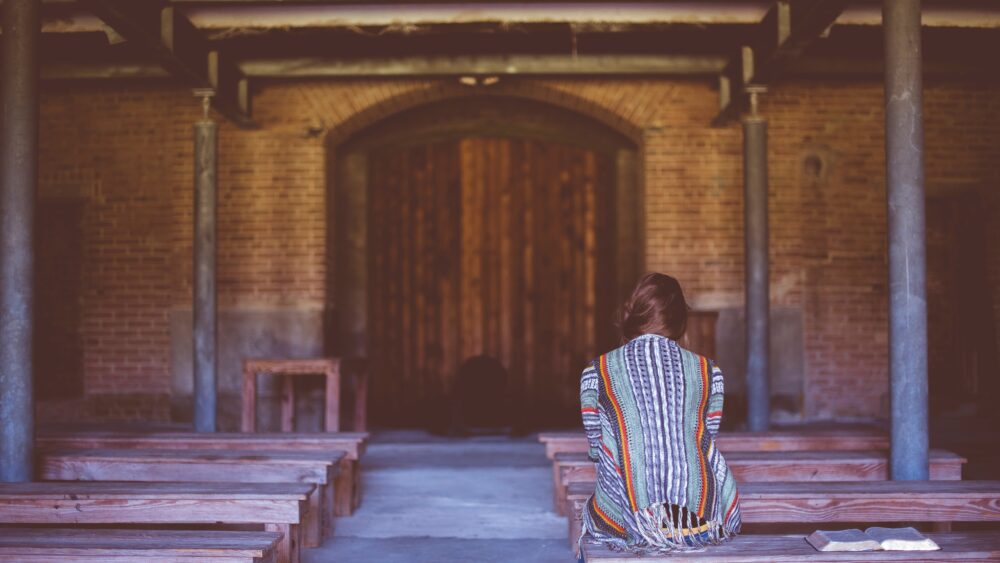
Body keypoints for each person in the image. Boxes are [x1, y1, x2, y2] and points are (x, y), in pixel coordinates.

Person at [579, 273, 741, 554]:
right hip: (697, 519)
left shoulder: (598, 371)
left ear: (633, 316)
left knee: (591, 531)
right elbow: (707, 436)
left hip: (630, 520)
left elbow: (596, 447)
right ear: (679, 320)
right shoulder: (708, 371)